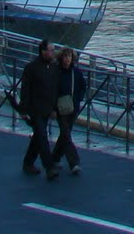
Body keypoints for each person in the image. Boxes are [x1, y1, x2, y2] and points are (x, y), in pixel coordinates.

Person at [18, 38, 60, 180]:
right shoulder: (31, 68)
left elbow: (55, 89)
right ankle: (49, 167)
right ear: (43, 52)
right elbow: (25, 90)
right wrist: (23, 110)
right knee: (42, 136)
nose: (53, 53)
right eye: (51, 50)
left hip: (47, 108)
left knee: (38, 137)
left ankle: (28, 163)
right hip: (35, 109)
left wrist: (54, 108)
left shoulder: (54, 68)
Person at [52, 46, 88, 176]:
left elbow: (83, 86)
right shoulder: (55, 71)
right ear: (61, 57)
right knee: (66, 134)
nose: (67, 59)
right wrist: (53, 108)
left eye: (69, 57)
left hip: (73, 108)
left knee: (64, 134)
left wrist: (78, 99)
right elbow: (51, 90)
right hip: (60, 108)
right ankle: (74, 163)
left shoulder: (76, 72)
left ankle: (54, 158)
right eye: (65, 56)